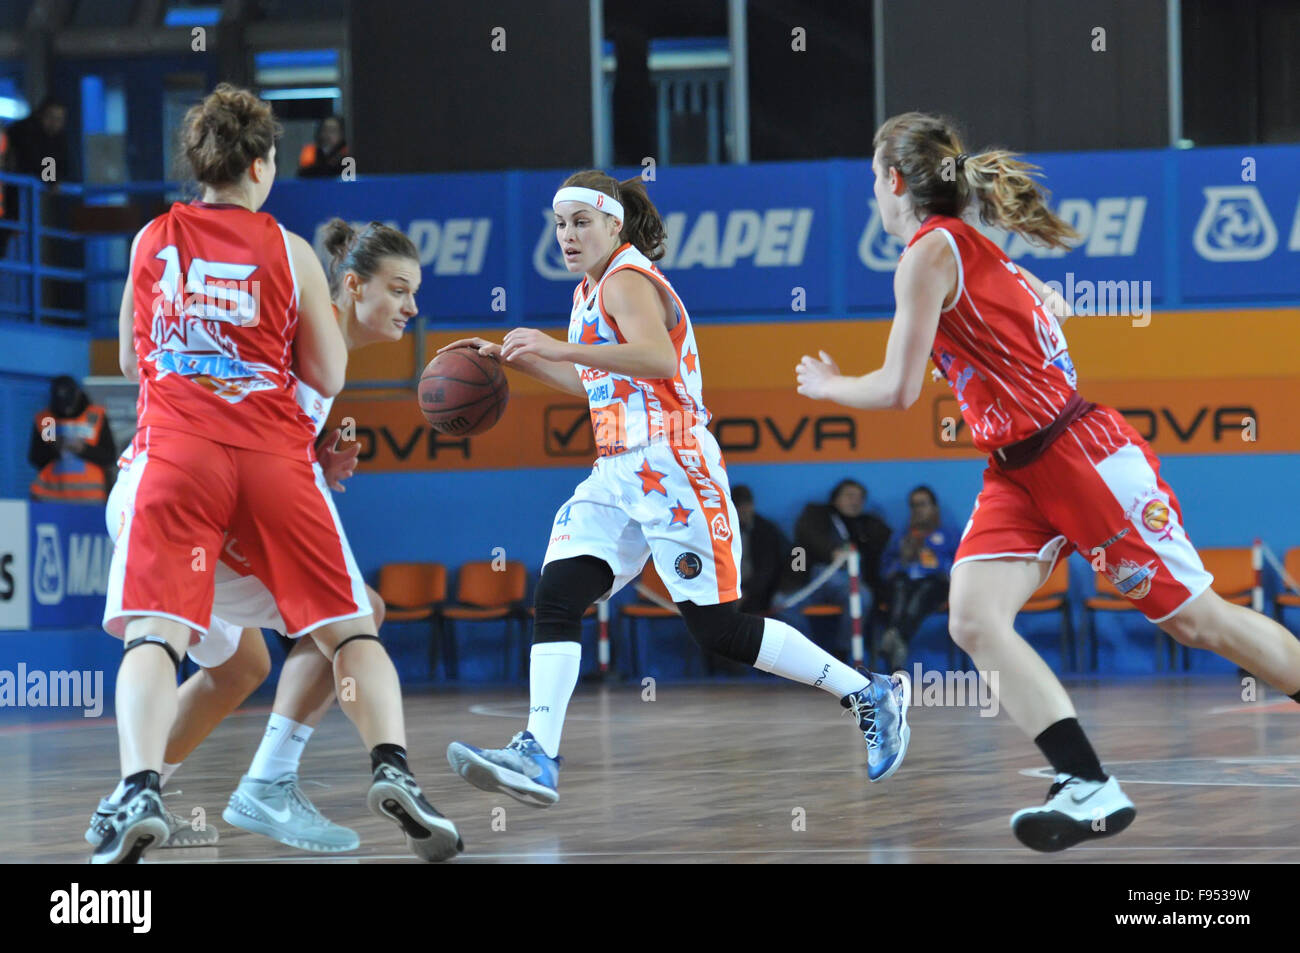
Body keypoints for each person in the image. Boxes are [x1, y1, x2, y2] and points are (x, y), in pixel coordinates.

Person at [795, 110, 1300, 852]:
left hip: (1080, 458)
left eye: (875, 177)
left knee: (1198, 621)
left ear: (895, 181)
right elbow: (1039, 310)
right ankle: (1088, 782)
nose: (873, 190)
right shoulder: (973, 251)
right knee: (972, 616)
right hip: (1018, 471)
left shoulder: (929, 253)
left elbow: (900, 390)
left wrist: (830, 385)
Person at [439, 171, 911, 808]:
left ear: (614, 225)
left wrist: (558, 348)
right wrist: (527, 361)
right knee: (555, 595)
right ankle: (539, 755)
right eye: (560, 224)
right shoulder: (588, 292)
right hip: (615, 471)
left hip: (673, 465)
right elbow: (599, 386)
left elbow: (656, 360)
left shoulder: (627, 278)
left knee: (719, 631)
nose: (568, 235)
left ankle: (866, 691)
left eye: (582, 221)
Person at [92, 84, 459, 864]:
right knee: (353, 616)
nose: (410, 308)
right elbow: (308, 373)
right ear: (262, 164)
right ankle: (357, 767)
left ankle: (137, 790)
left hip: (173, 465)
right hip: (237, 471)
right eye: (399, 290)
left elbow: (131, 359)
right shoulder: (288, 257)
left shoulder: (153, 236)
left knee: (233, 662)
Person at [788, 479, 892, 652]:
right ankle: (804, 655)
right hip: (815, 578)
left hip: (851, 582)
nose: (855, 501)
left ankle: (841, 656)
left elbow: (889, 544)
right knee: (783, 604)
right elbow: (806, 534)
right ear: (835, 499)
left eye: (860, 498)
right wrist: (832, 552)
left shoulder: (868, 524)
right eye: (849, 495)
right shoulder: (816, 513)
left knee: (862, 598)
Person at [877, 485, 958, 670]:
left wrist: (938, 565)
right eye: (914, 505)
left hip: (936, 586)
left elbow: (960, 565)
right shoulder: (902, 536)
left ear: (934, 508)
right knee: (899, 586)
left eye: (923, 504)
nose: (918, 510)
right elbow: (885, 567)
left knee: (924, 589)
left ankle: (894, 636)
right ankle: (898, 640)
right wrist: (902, 560)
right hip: (904, 585)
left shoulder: (949, 534)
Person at [28, 375, 117, 502]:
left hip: (90, 500)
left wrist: (83, 449)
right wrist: (55, 447)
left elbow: (109, 456)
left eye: (69, 403)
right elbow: (36, 458)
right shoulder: (47, 420)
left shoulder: (95, 416)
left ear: (78, 394)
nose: (66, 409)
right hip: (51, 498)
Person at [732, 484, 793, 617]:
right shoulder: (720, 529)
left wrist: (745, 592)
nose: (745, 511)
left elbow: (767, 568)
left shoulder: (765, 530)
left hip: (761, 591)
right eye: (740, 507)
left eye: (747, 506)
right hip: (729, 590)